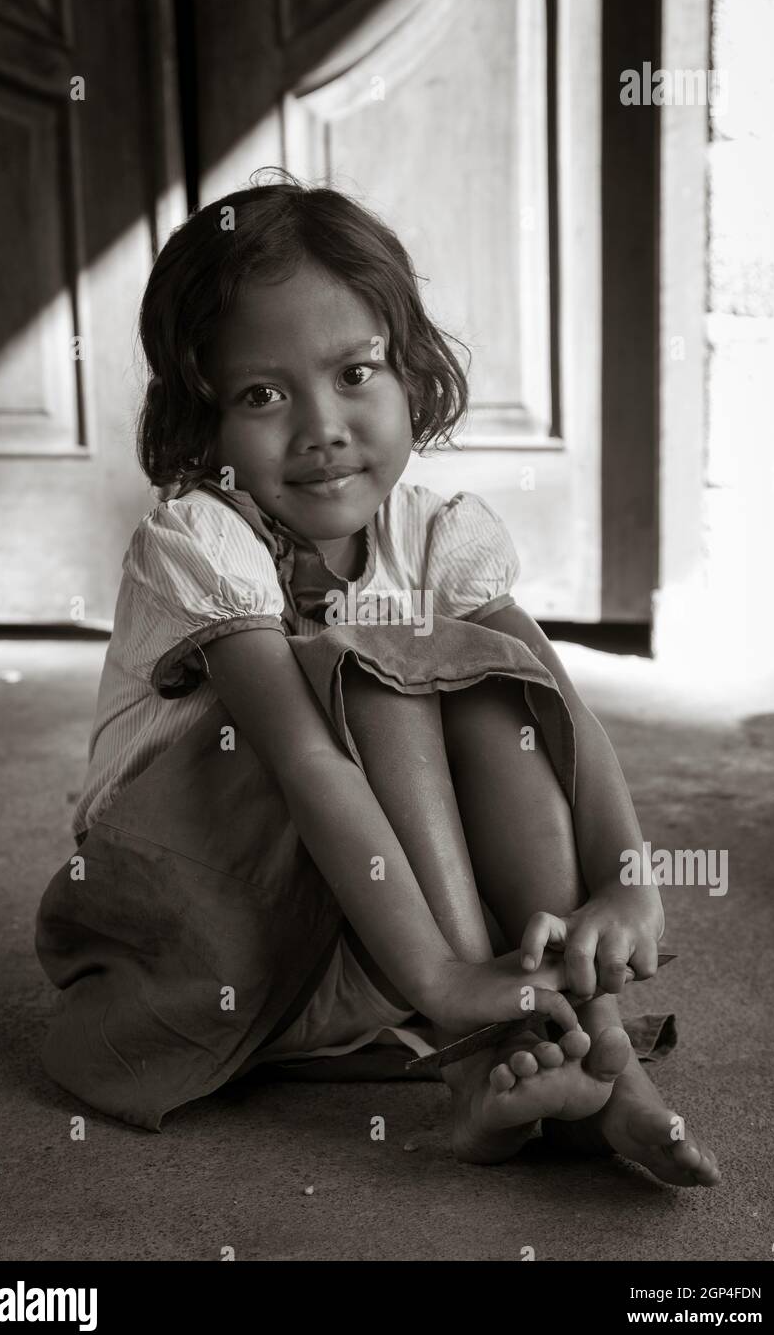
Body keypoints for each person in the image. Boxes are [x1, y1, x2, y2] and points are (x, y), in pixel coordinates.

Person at [36, 172, 719, 1185]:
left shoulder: (436, 534)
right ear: (204, 421)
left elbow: (552, 703)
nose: (321, 428)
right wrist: (441, 976)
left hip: (362, 927)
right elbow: (311, 760)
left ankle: (581, 1052)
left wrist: (625, 881)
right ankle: (475, 1041)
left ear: (411, 374)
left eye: (355, 372)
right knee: (372, 665)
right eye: (262, 396)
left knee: (492, 678)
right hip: (208, 925)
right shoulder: (201, 539)